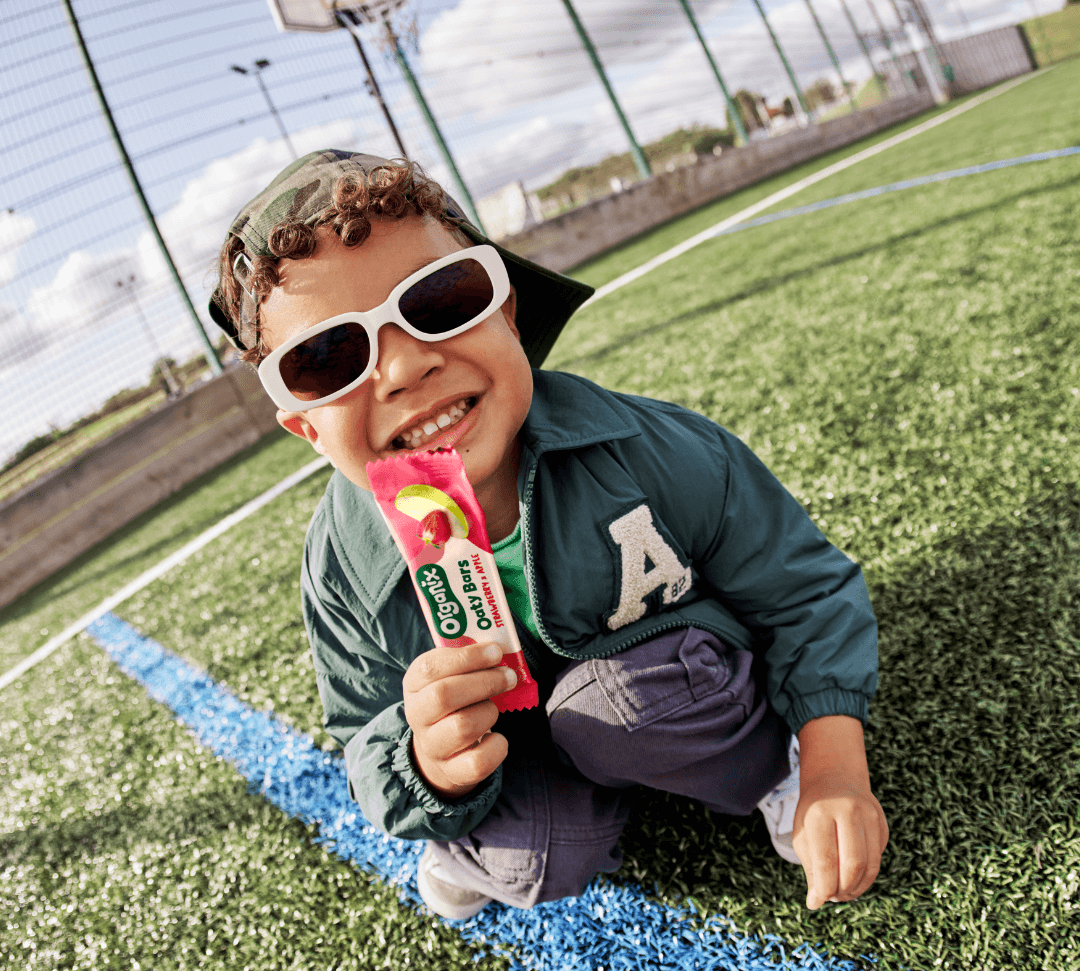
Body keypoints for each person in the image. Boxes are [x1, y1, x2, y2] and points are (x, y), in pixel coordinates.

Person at [210, 149, 889, 921]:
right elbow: (362, 732)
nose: (400, 368)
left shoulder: (640, 445)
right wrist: (425, 763)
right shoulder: (343, 567)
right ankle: (495, 835)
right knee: (527, 857)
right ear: (306, 430)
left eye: (439, 298)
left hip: (665, 696)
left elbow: (805, 589)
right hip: (518, 755)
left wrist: (835, 765)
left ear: (506, 307)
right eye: (328, 357)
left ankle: (769, 770)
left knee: (620, 707)